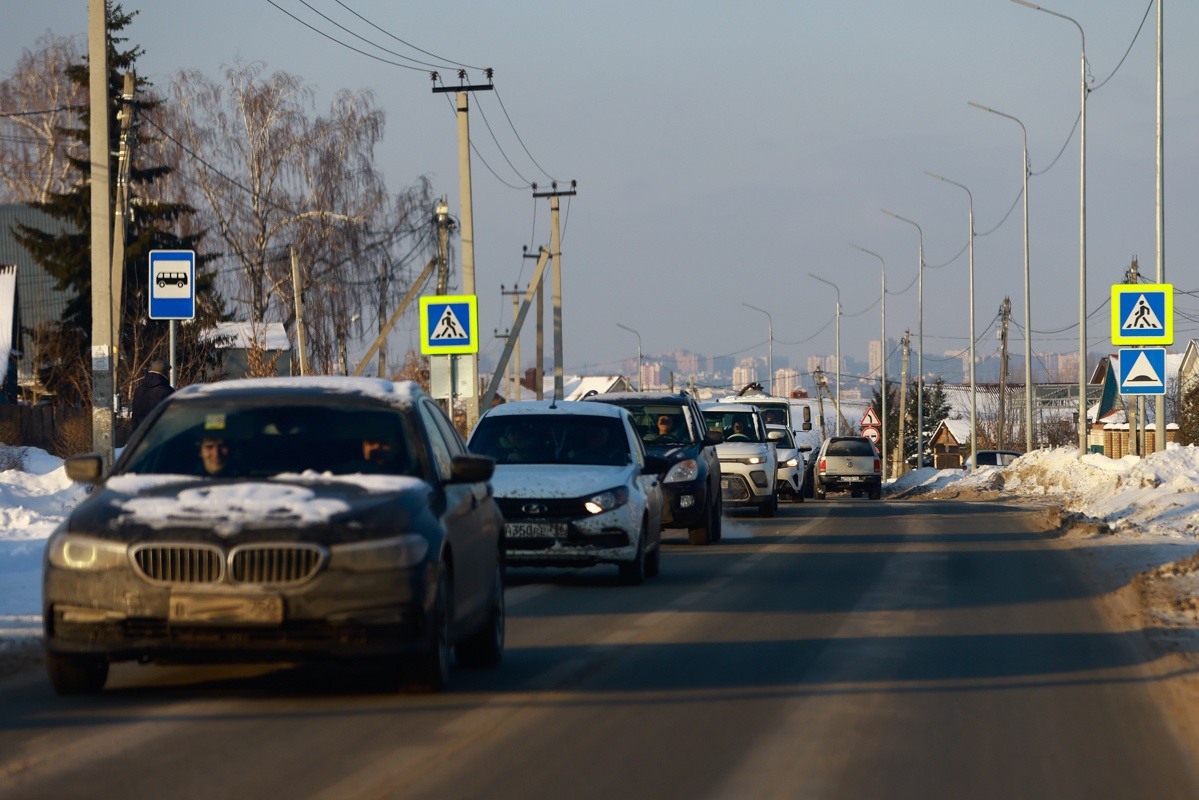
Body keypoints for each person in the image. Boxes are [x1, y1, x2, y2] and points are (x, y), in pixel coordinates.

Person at [131, 359, 174, 431]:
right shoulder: (168, 391)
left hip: (140, 434)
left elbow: (134, 415)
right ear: (166, 373)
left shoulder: (138, 390)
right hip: (159, 434)